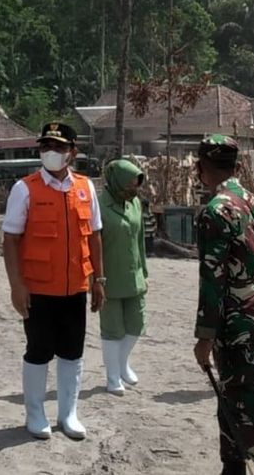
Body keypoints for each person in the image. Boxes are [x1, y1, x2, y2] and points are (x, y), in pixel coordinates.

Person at [192, 134, 254, 475]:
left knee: (245, 401)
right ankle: (232, 466)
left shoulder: (215, 211)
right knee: (234, 394)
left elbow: (212, 279)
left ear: (201, 167)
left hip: (236, 321)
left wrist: (205, 335)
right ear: (236, 166)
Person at [2, 122, 104, 440]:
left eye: (59, 147)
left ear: (72, 152)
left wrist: (98, 279)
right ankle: (35, 414)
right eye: (46, 146)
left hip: (75, 288)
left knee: (72, 352)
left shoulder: (86, 188)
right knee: (38, 351)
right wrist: (16, 285)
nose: (51, 152)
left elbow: (96, 236)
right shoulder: (25, 189)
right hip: (38, 289)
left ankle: (68, 414)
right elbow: (10, 240)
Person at [98, 159, 147, 396]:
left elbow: (140, 241)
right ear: (116, 181)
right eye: (129, 185)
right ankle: (112, 376)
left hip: (134, 275)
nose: (133, 190)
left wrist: (144, 272)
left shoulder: (135, 203)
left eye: (136, 185)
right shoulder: (99, 206)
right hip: (109, 276)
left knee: (136, 324)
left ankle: (123, 363)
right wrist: (95, 279)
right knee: (112, 329)